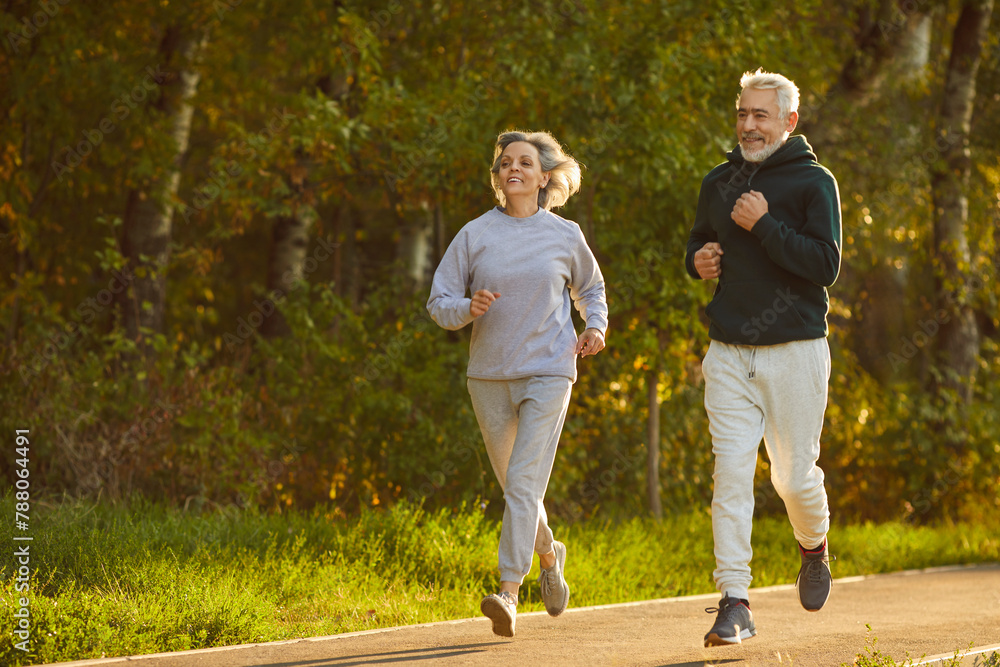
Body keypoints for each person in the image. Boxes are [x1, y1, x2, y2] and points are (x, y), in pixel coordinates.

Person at [427, 130, 608, 638]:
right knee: (515, 485)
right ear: (497, 177)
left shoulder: (565, 235)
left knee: (524, 483)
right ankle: (549, 554)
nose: (514, 169)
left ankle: (508, 588)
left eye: (525, 163)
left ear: (543, 177)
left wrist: (594, 326)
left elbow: (591, 290)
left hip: (551, 370)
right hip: (488, 376)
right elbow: (439, 302)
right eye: (505, 162)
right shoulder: (474, 234)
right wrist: (468, 308)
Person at [684, 69, 842, 647]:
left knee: (793, 479)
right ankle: (735, 601)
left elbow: (825, 264)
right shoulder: (717, 181)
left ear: (788, 122)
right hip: (728, 352)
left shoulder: (813, 182)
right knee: (729, 476)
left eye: (761, 116)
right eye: (743, 114)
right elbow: (699, 241)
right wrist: (697, 260)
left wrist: (766, 225)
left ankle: (814, 544)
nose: (749, 125)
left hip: (796, 352)